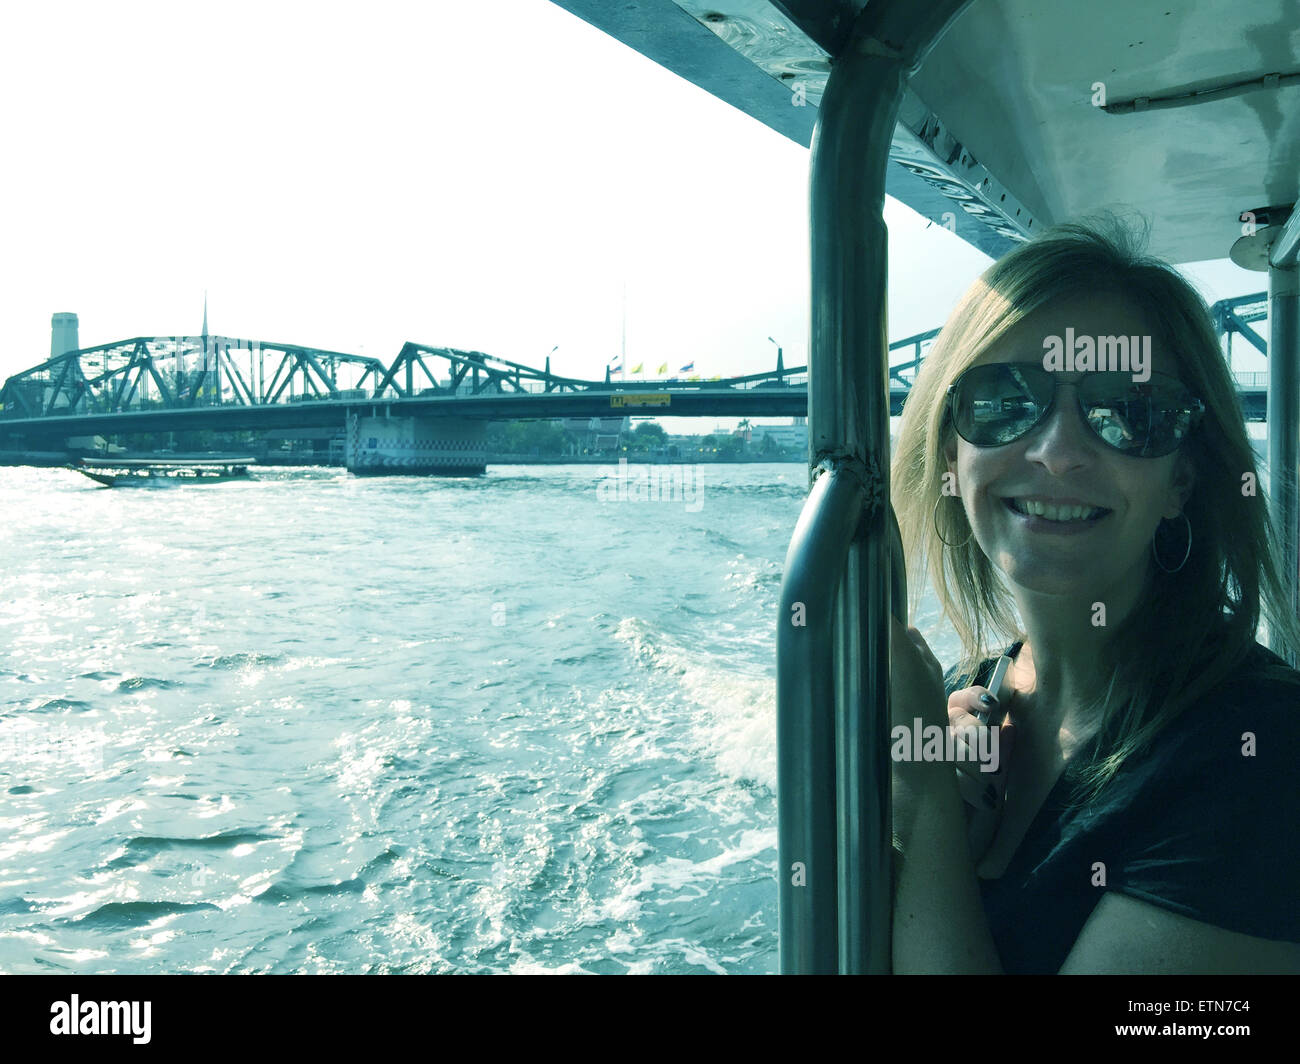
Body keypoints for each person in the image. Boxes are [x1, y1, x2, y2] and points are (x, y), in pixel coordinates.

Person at [887, 217, 1300, 974]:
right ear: (952, 448)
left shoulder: (1265, 752)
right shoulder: (962, 695)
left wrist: (927, 814)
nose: (1059, 452)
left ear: (1182, 478)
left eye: (1131, 412)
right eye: (1005, 400)